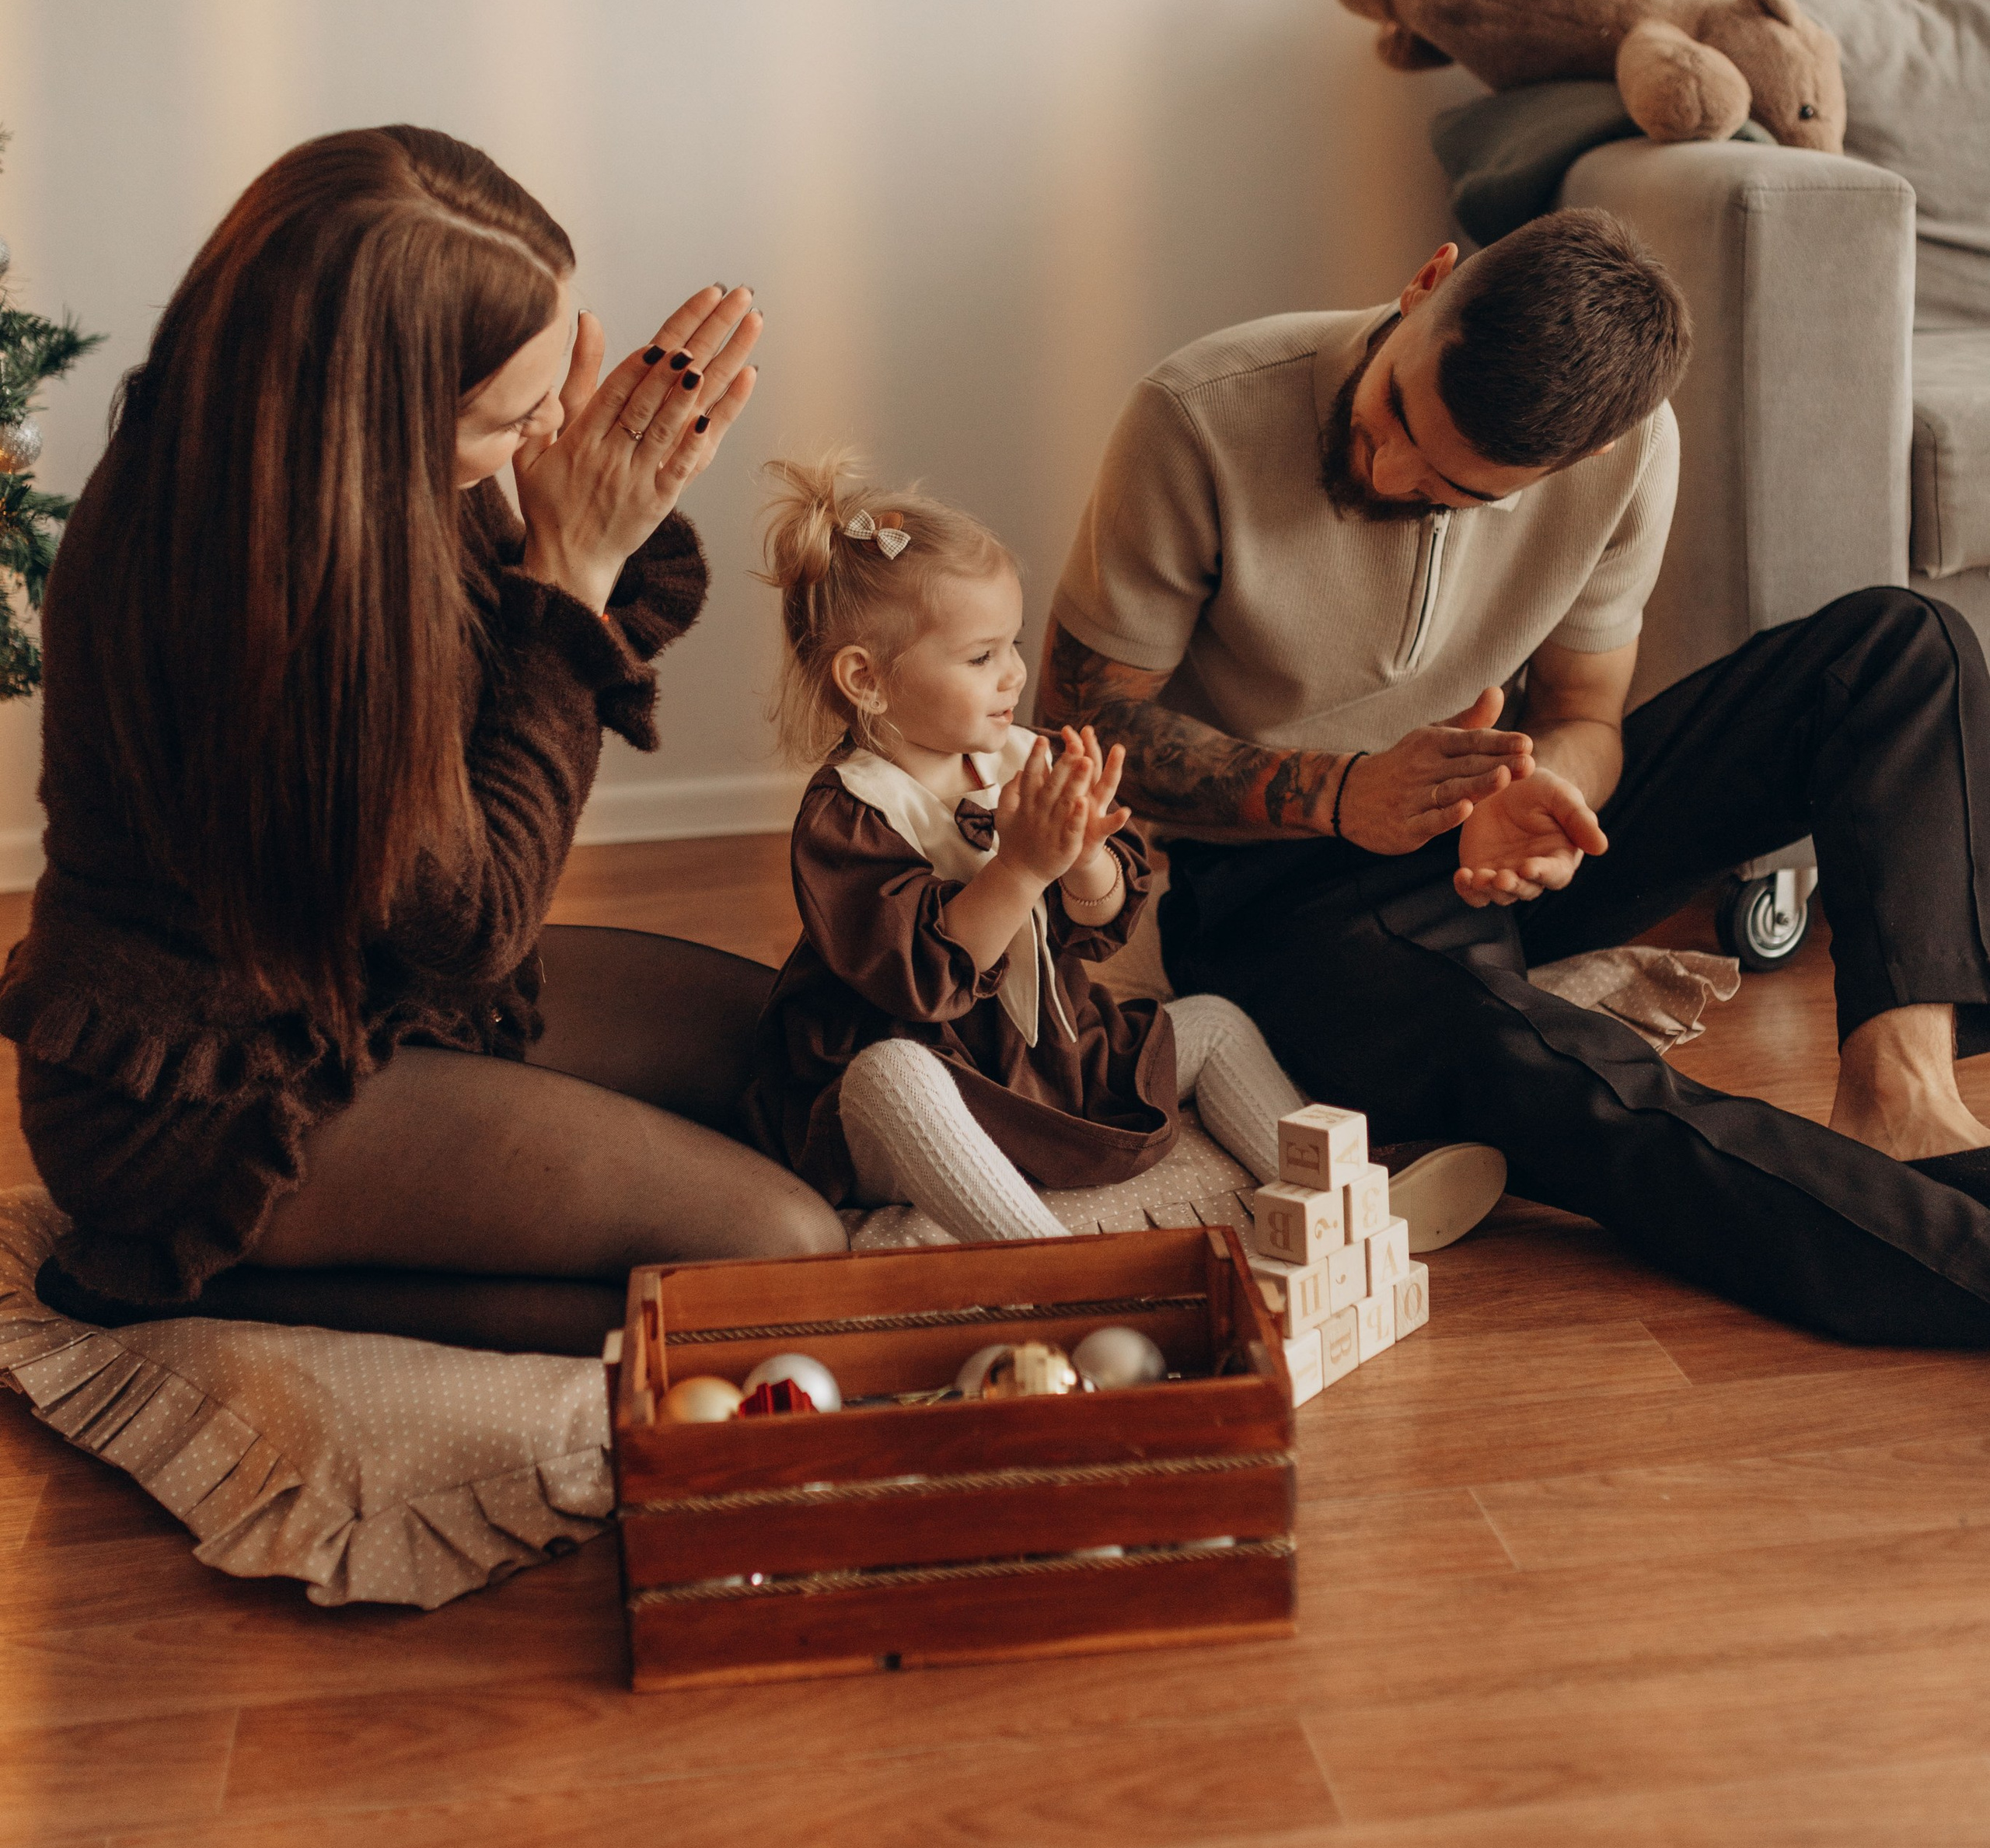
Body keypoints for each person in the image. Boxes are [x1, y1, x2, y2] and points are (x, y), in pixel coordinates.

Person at [1039, 205, 1990, 1348]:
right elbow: (1085, 724)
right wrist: (1344, 795)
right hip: (1268, 895)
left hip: (1477, 835)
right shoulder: (1194, 418)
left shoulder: (1631, 452)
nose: (1389, 467)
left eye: (1458, 487)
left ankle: (1900, 1096)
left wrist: (1546, 796)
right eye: (1397, 411)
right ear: (1426, 281)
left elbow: (1586, 711)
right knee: (1574, 1077)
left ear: (1571, 462)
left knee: (1899, 650)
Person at [12, 126, 846, 1355]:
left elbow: (541, 650)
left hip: (360, 984)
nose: (558, 419)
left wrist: (576, 525)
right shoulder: (258, 593)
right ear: (381, 414)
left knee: (817, 1056)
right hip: (198, 1091)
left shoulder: (343, 459)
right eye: (516, 415)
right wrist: (569, 572)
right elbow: (472, 931)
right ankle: (193, 1278)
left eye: (563, 366)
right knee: (785, 1250)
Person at [748, 454, 1310, 1240]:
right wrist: (1018, 867)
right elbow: (921, 983)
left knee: (1214, 1022)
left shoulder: (1023, 758)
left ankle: (1329, 1196)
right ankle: (1041, 1258)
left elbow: (1099, 925)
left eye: (1012, 644)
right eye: (981, 657)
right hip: (930, 1067)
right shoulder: (851, 813)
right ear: (866, 680)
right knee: (890, 1079)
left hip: (1048, 1056)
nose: (1014, 674)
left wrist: (1084, 859)